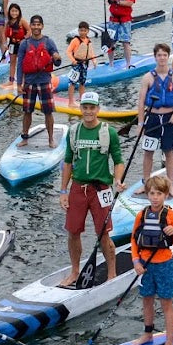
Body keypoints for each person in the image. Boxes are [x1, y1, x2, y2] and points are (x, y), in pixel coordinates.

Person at [60, 92, 127, 286]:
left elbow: (118, 160)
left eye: (92, 107)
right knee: (73, 232)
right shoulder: (73, 132)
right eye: (85, 107)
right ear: (80, 109)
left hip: (101, 189)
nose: (88, 111)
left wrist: (118, 180)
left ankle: (112, 273)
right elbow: (67, 163)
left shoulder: (109, 132)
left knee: (103, 233)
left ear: (98, 109)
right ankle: (74, 272)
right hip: (77, 188)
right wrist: (63, 191)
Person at [131, 176, 173, 345]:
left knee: (166, 303)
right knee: (147, 299)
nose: (155, 197)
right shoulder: (142, 215)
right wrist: (136, 262)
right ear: (147, 195)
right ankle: (148, 334)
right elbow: (134, 239)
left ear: (166, 195)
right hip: (145, 266)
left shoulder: (171, 216)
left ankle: (169, 344)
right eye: (152, 193)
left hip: (164, 264)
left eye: (159, 193)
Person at [135, 43, 173, 181]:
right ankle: (146, 181)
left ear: (168, 57)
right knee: (148, 152)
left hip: (169, 119)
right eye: (159, 55)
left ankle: (170, 183)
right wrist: (140, 124)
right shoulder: (147, 77)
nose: (162, 58)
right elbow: (141, 103)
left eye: (165, 55)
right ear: (155, 57)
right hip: (152, 118)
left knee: (169, 152)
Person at [16, 14, 63, 148]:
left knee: (48, 112)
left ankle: (50, 139)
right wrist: (19, 84)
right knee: (27, 111)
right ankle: (25, 138)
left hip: (44, 81)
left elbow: (57, 59)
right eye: (34, 24)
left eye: (38, 25)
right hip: (29, 83)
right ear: (30, 26)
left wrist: (56, 57)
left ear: (42, 26)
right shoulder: (25, 44)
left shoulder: (49, 42)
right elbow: (20, 65)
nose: (36, 27)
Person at [97, 0, 137, 68]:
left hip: (125, 20)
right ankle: (111, 64)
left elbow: (130, 2)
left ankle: (128, 64)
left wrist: (116, 2)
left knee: (125, 42)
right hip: (113, 20)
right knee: (111, 43)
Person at [65, 21, 98, 105]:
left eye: (84, 30)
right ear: (78, 31)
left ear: (88, 31)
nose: (82, 32)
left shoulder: (88, 41)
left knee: (82, 82)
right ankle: (70, 102)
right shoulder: (75, 40)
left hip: (85, 64)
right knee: (72, 82)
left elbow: (91, 52)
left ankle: (81, 99)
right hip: (76, 64)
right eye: (81, 30)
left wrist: (94, 61)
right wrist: (73, 60)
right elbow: (68, 52)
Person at [3, 2, 28, 86]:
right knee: (12, 62)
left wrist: (24, 39)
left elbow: (29, 31)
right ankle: (11, 80)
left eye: (16, 11)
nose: (14, 13)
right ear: (9, 12)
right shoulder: (8, 23)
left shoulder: (22, 21)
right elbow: (4, 34)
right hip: (12, 44)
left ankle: (24, 81)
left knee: (22, 63)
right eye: (12, 11)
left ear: (19, 12)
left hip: (22, 44)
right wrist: (5, 44)